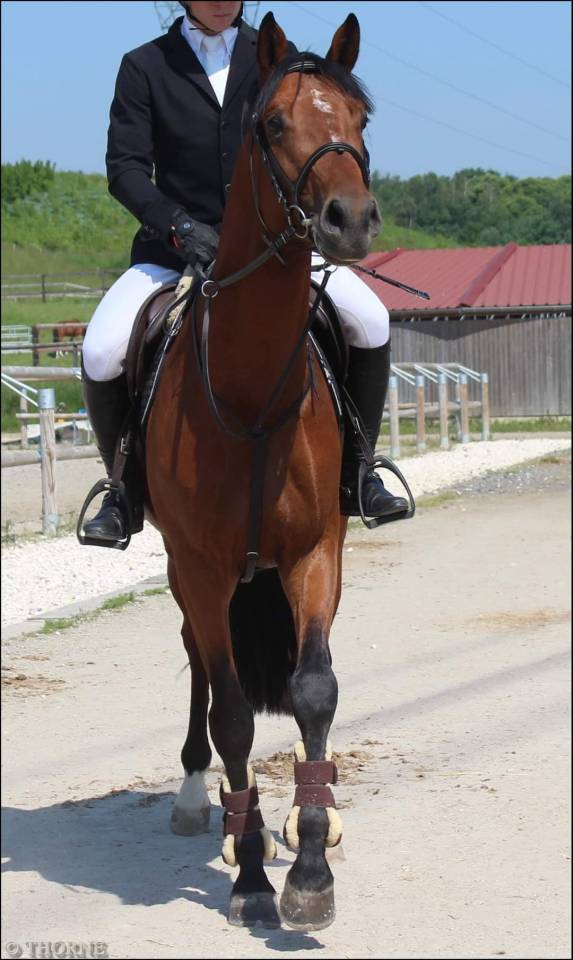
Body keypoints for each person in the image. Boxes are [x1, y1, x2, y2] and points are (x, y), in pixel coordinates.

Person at [80, 0, 408, 545]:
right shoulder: (145, 66)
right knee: (100, 348)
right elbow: (126, 169)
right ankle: (124, 491)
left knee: (371, 319)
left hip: (278, 246)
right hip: (173, 252)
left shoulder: (278, 61)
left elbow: (320, 139)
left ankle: (359, 471)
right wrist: (179, 227)